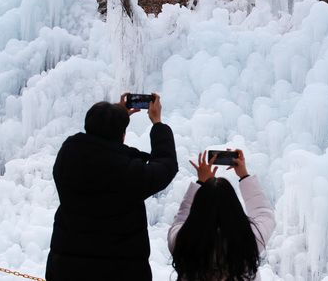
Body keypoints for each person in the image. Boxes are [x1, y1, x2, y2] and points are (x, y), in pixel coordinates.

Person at [45, 93, 178, 281]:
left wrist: (113, 116)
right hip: (119, 272)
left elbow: (97, 145)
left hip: (66, 269)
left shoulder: (68, 155)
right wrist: (157, 124)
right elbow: (166, 166)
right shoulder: (128, 172)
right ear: (123, 135)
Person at [168, 149, 275, 281]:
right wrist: (244, 175)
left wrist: (201, 183)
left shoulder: (183, 241)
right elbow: (264, 213)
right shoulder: (249, 240)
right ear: (234, 208)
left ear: (198, 208)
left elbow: (181, 219)